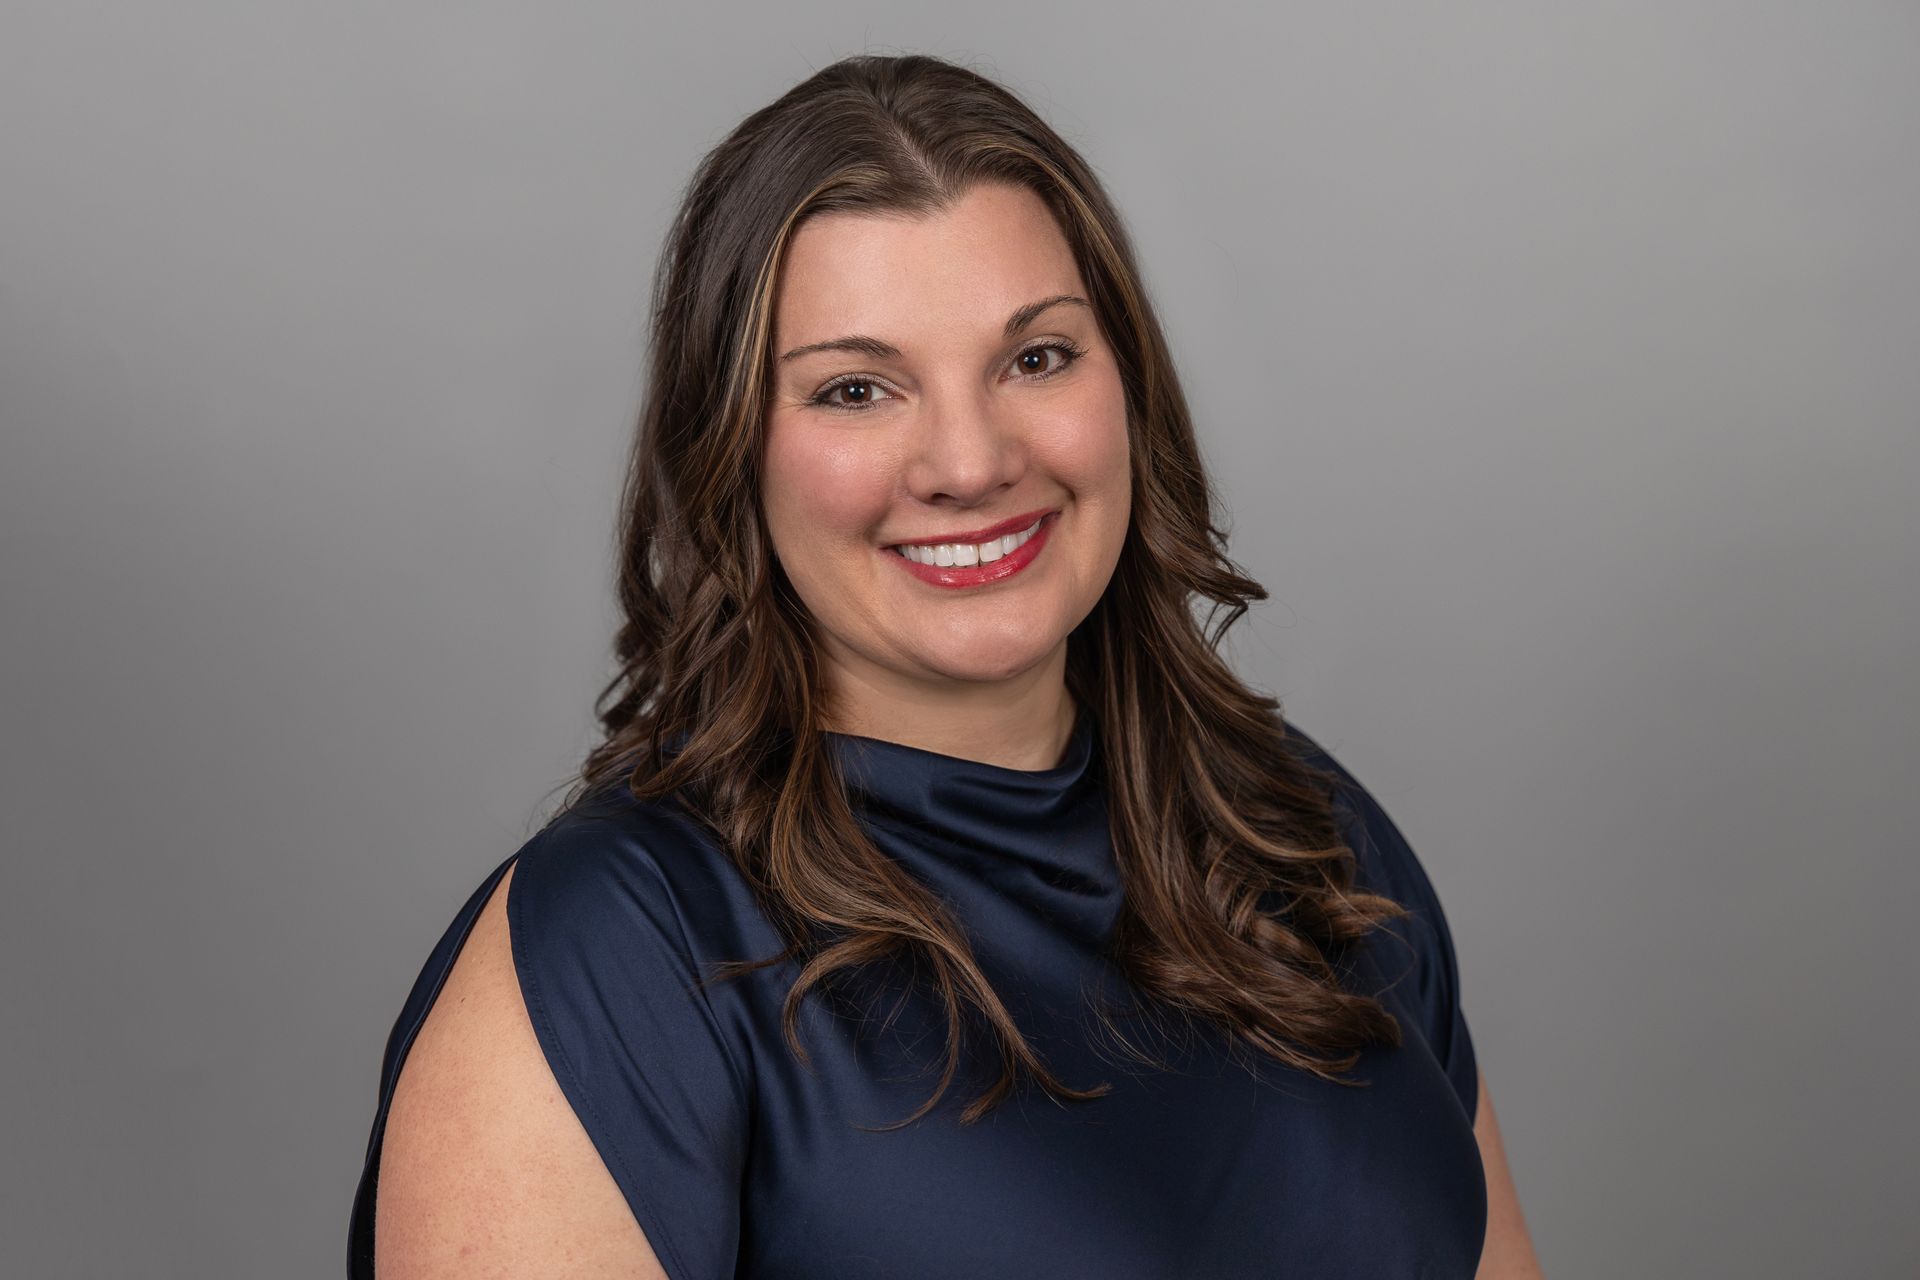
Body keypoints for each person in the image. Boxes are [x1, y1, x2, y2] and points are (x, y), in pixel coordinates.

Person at [347, 52, 1543, 1279]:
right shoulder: (616, 955)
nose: (969, 462)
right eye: (857, 389)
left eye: (1036, 358)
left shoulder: (1307, 830)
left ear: (1129, 386)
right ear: (731, 457)